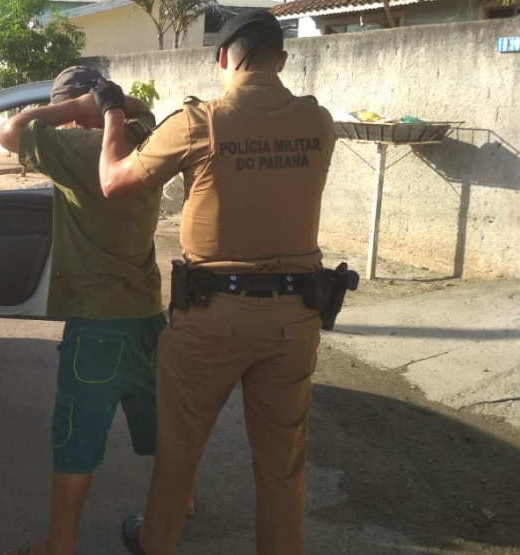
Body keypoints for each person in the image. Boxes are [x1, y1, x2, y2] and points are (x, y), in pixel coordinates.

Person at [93, 11, 338, 555]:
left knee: (179, 451)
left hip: (211, 319)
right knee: (282, 468)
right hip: (295, 321)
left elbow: (113, 183)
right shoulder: (318, 123)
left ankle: (158, 544)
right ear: (281, 59)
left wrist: (112, 113)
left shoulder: (199, 123)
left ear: (222, 57)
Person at [0, 66, 179, 555]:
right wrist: (110, 104)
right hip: (147, 319)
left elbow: (8, 131)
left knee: (76, 442)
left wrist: (75, 109)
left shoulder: (76, 152)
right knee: (166, 428)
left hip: (97, 329)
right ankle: (180, 509)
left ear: (76, 112)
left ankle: (60, 546)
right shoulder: (145, 141)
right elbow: (145, 111)